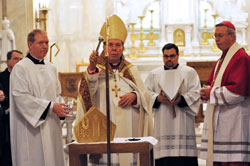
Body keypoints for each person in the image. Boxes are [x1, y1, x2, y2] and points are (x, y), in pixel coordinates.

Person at [76, 14, 153, 166]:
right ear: (104, 47)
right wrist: (91, 68)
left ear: (123, 48)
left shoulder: (131, 70)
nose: (114, 49)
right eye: (110, 45)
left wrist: (135, 96)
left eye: (118, 45)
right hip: (104, 128)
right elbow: (87, 93)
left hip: (130, 130)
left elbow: (146, 96)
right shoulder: (96, 69)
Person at [9, 29, 68, 166]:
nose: (45, 46)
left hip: (52, 125)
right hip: (31, 129)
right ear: (30, 45)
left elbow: (57, 94)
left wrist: (62, 107)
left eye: (47, 42)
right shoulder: (21, 68)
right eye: (40, 42)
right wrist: (52, 106)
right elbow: (20, 98)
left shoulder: (51, 68)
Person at [200, 21, 250, 166]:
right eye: (215, 36)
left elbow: (237, 92)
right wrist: (206, 92)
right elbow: (213, 85)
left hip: (235, 121)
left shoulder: (240, 58)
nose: (216, 39)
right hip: (223, 122)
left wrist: (210, 92)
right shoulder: (222, 59)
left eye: (220, 35)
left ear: (232, 36)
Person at [145, 43, 201, 166]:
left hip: (183, 120)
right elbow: (146, 93)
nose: (169, 59)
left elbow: (196, 92)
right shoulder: (154, 74)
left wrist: (181, 100)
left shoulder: (189, 72)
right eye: (166, 56)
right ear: (162, 57)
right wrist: (158, 98)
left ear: (178, 56)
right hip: (163, 120)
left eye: (172, 56)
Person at [0, 50, 23, 166]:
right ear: (8, 61)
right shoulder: (1, 77)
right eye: (16, 59)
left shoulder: (25, 78)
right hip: (6, 120)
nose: (19, 62)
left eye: (21, 59)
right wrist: (4, 98)